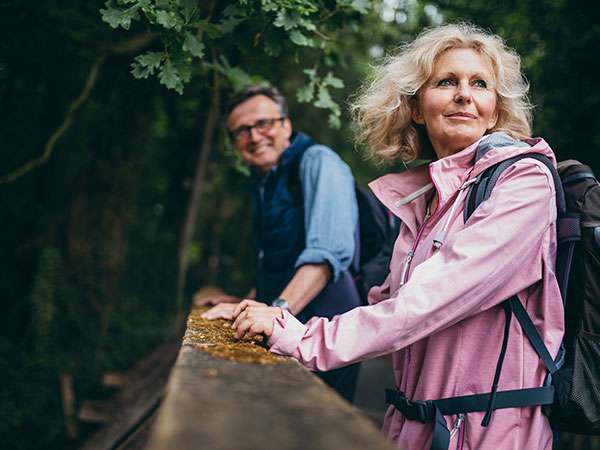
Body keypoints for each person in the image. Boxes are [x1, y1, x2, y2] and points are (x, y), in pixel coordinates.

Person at [228, 24, 564, 450]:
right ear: (417, 108)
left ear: (494, 110)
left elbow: (434, 297)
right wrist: (257, 315)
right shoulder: (425, 199)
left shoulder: (523, 182)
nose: (464, 93)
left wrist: (299, 336)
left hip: (490, 432)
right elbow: (385, 305)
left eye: (480, 84)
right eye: (446, 82)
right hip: (412, 427)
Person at [197, 85, 362, 401]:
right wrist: (244, 302)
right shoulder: (263, 183)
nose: (255, 136)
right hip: (285, 324)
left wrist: (277, 312)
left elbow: (325, 255)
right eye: (241, 131)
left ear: (286, 124)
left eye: (264, 123)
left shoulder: (318, 161)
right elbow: (276, 260)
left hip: (325, 330)